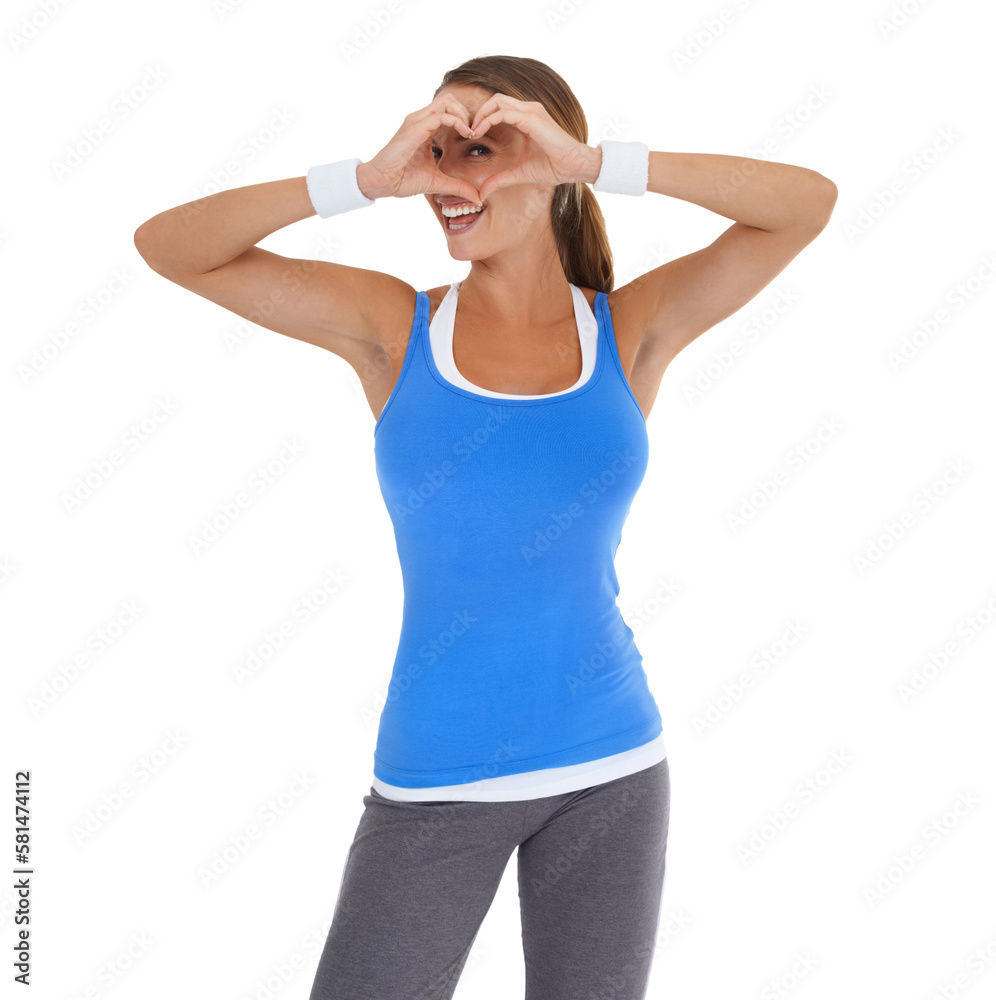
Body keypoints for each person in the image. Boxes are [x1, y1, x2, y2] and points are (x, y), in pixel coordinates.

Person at [134, 53, 836, 1000]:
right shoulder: (394, 328)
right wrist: (366, 179)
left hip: (613, 770)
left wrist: (593, 162)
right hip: (434, 781)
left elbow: (804, 205)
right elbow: (171, 247)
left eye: (484, 149)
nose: (450, 178)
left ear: (549, 161)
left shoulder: (627, 330)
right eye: (440, 148)